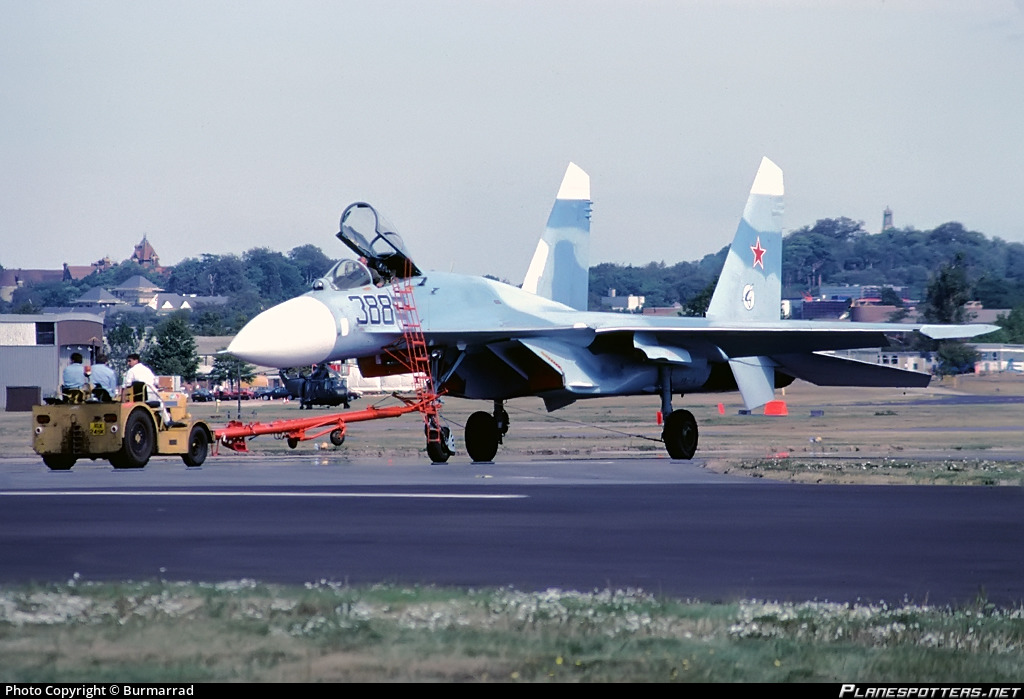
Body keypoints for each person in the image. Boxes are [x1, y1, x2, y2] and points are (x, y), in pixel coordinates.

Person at [122, 353, 183, 427]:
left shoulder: (131, 371)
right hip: (152, 393)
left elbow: (126, 385)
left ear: (136, 360)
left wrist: (122, 399)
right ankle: (167, 421)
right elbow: (155, 382)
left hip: (140, 396)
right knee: (161, 403)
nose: (128, 363)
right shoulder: (147, 370)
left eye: (129, 361)